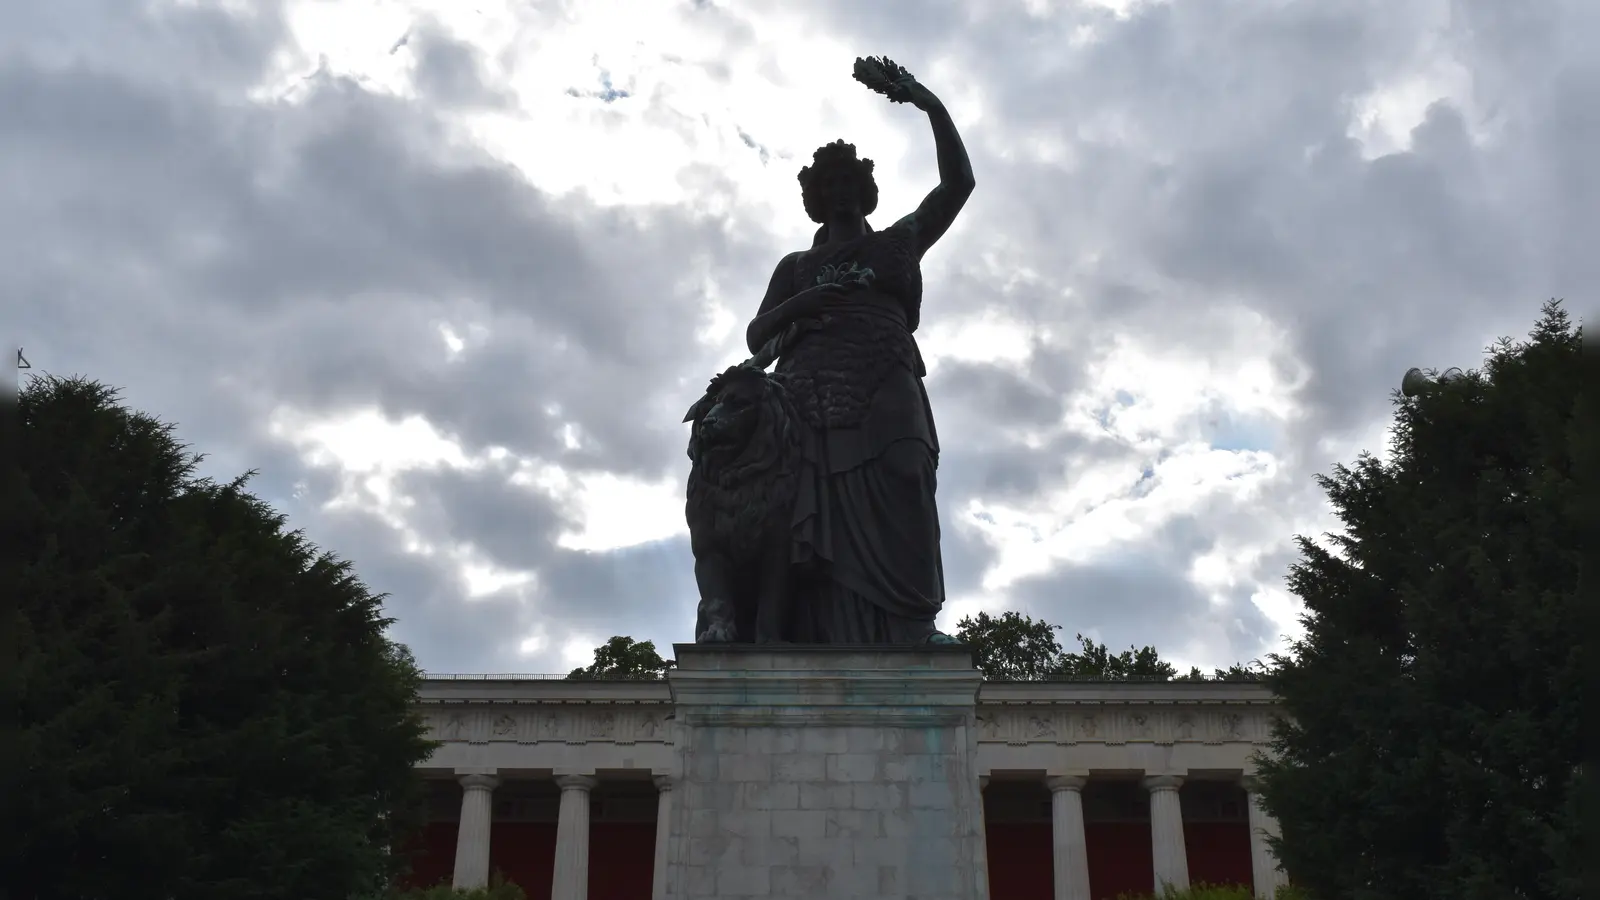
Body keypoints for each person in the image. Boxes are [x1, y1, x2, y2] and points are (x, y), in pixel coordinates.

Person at [744, 74, 975, 644]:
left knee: (907, 470)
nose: (841, 191)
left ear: (866, 190)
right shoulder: (796, 265)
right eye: (829, 184)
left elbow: (958, 184)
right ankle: (812, 627)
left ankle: (914, 620)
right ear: (816, 198)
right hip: (810, 386)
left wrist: (929, 104)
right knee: (812, 500)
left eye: (850, 181)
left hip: (885, 367)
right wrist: (807, 301)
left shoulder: (899, 241)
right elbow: (757, 335)